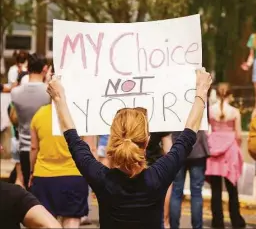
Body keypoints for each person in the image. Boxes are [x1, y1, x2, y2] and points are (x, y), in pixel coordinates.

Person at [46, 68, 212, 229]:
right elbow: (189, 132)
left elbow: (73, 139)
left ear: (113, 138)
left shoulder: (102, 179)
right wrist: (201, 90)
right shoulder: (158, 177)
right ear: (147, 141)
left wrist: (59, 98)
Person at [29, 103, 89, 228]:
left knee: (46, 222)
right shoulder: (81, 113)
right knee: (72, 220)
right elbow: (90, 149)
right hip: (74, 175)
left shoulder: (39, 114)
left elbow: (34, 148)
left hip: (44, 176)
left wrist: (31, 172)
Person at [205, 83, 246, 228]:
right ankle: (236, 220)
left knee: (215, 190)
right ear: (230, 95)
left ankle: (218, 222)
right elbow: (239, 134)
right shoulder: (235, 112)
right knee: (232, 189)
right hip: (230, 151)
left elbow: (207, 130)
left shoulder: (210, 111)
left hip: (213, 149)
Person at [10, 53, 51, 189]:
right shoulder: (49, 93)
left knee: (27, 190)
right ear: (45, 69)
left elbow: (14, 118)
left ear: (28, 69)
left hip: (24, 148)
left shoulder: (15, 93)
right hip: (44, 149)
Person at [170, 130, 210, 229]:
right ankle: (197, 226)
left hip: (177, 148)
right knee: (196, 193)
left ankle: (173, 226)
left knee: (176, 192)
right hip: (197, 150)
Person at [146, 132, 173, 228]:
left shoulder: (132, 119)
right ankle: (165, 222)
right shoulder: (160, 122)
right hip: (157, 164)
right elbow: (167, 149)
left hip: (137, 165)